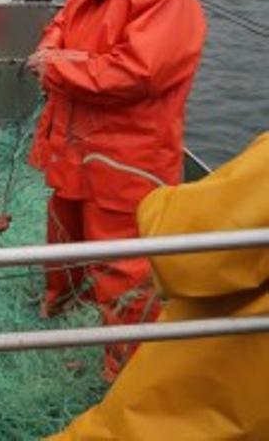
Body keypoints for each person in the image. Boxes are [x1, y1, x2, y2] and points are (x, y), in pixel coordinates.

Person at [26, 0, 206, 378]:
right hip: (73, 145)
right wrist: (51, 49)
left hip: (128, 161)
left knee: (124, 266)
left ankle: (126, 369)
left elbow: (135, 74)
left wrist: (56, 66)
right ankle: (61, 301)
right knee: (63, 235)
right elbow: (62, 24)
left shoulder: (169, 0)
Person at [51, 133, 269, 439]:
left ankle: (117, 365)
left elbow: (186, 251)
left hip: (210, 400)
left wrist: (155, 203)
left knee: (122, 272)